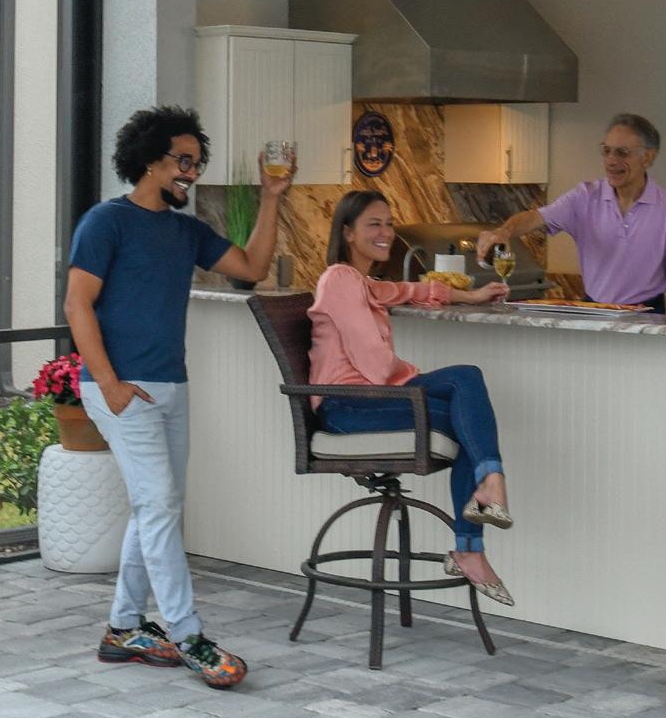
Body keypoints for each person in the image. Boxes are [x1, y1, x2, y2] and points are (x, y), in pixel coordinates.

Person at [63, 106, 288, 688]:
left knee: (157, 508)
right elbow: (76, 303)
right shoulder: (106, 222)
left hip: (170, 386)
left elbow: (252, 267)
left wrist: (271, 196)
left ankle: (123, 629)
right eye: (182, 161)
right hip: (120, 388)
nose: (191, 172)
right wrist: (110, 385)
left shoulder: (186, 232)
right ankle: (188, 636)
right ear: (148, 160)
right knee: (159, 506)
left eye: (197, 163)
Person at [306, 190, 518, 604]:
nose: (386, 232)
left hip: (370, 400)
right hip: (346, 408)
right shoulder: (339, 279)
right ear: (348, 233)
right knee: (464, 395)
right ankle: (480, 517)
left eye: (389, 224)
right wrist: (417, 383)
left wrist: (471, 295)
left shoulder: (363, 283)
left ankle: (477, 526)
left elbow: (413, 290)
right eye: (374, 224)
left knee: (465, 398)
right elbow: (376, 364)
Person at [475, 113, 666, 314]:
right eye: (606, 150)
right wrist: (503, 232)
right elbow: (535, 218)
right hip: (595, 310)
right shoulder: (584, 196)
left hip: (650, 313)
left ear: (647, 158)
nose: (611, 161)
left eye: (622, 152)